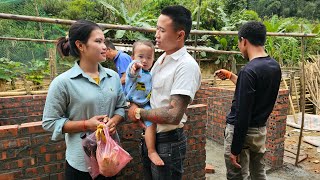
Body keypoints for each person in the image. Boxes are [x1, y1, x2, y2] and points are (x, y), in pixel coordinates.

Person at [42, 20, 126, 180]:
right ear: (80, 46)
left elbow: (121, 108)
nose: (104, 47)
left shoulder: (113, 77)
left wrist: (113, 121)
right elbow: (49, 122)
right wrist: (87, 124)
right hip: (80, 163)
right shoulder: (63, 82)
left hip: (109, 157)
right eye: (98, 41)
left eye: (104, 42)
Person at [127, 5, 201, 180]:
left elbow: (173, 114)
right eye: (156, 29)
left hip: (168, 142)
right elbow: (145, 91)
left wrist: (138, 112)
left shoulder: (186, 66)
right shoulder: (161, 58)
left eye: (162, 30)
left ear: (180, 35)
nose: (156, 35)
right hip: (152, 136)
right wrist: (134, 103)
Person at [215, 21, 281, 180]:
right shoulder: (274, 66)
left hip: (242, 133)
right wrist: (231, 76)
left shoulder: (249, 70)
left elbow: (243, 113)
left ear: (244, 41)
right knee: (258, 173)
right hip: (259, 131)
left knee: (237, 175)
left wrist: (235, 149)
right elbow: (255, 92)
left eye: (239, 43)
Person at [124, 40, 164, 166]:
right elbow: (131, 72)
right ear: (133, 57)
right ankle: (151, 151)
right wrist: (135, 66)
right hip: (132, 102)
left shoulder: (150, 74)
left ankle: (151, 151)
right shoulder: (136, 71)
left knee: (151, 124)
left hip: (145, 103)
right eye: (140, 57)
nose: (145, 61)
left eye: (149, 57)